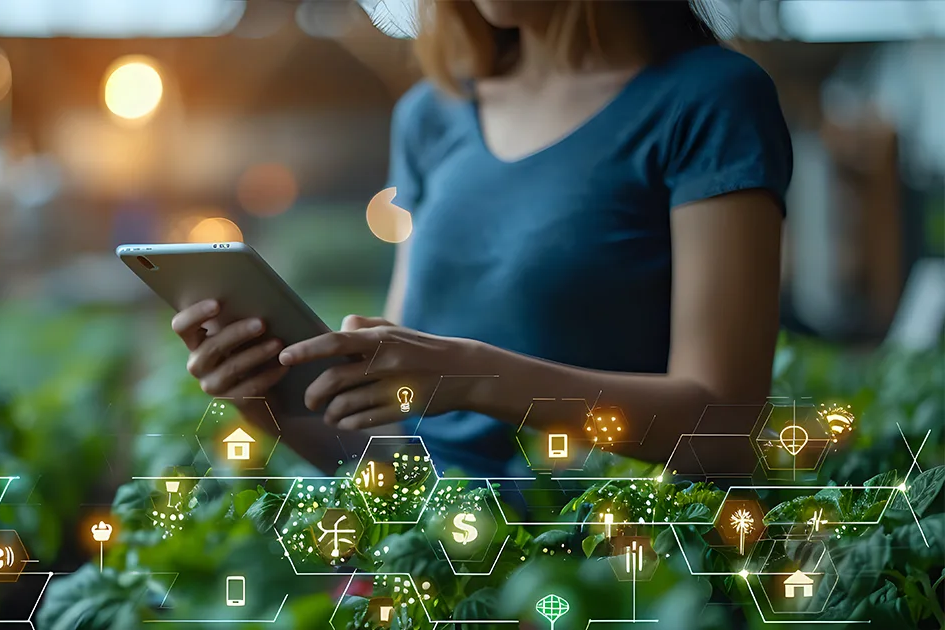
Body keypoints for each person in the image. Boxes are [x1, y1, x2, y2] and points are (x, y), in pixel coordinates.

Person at [171, 0, 792, 477]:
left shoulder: (711, 99)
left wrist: (473, 377)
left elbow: (723, 428)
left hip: (608, 560)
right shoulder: (430, 115)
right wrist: (266, 398)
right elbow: (391, 453)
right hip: (441, 554)